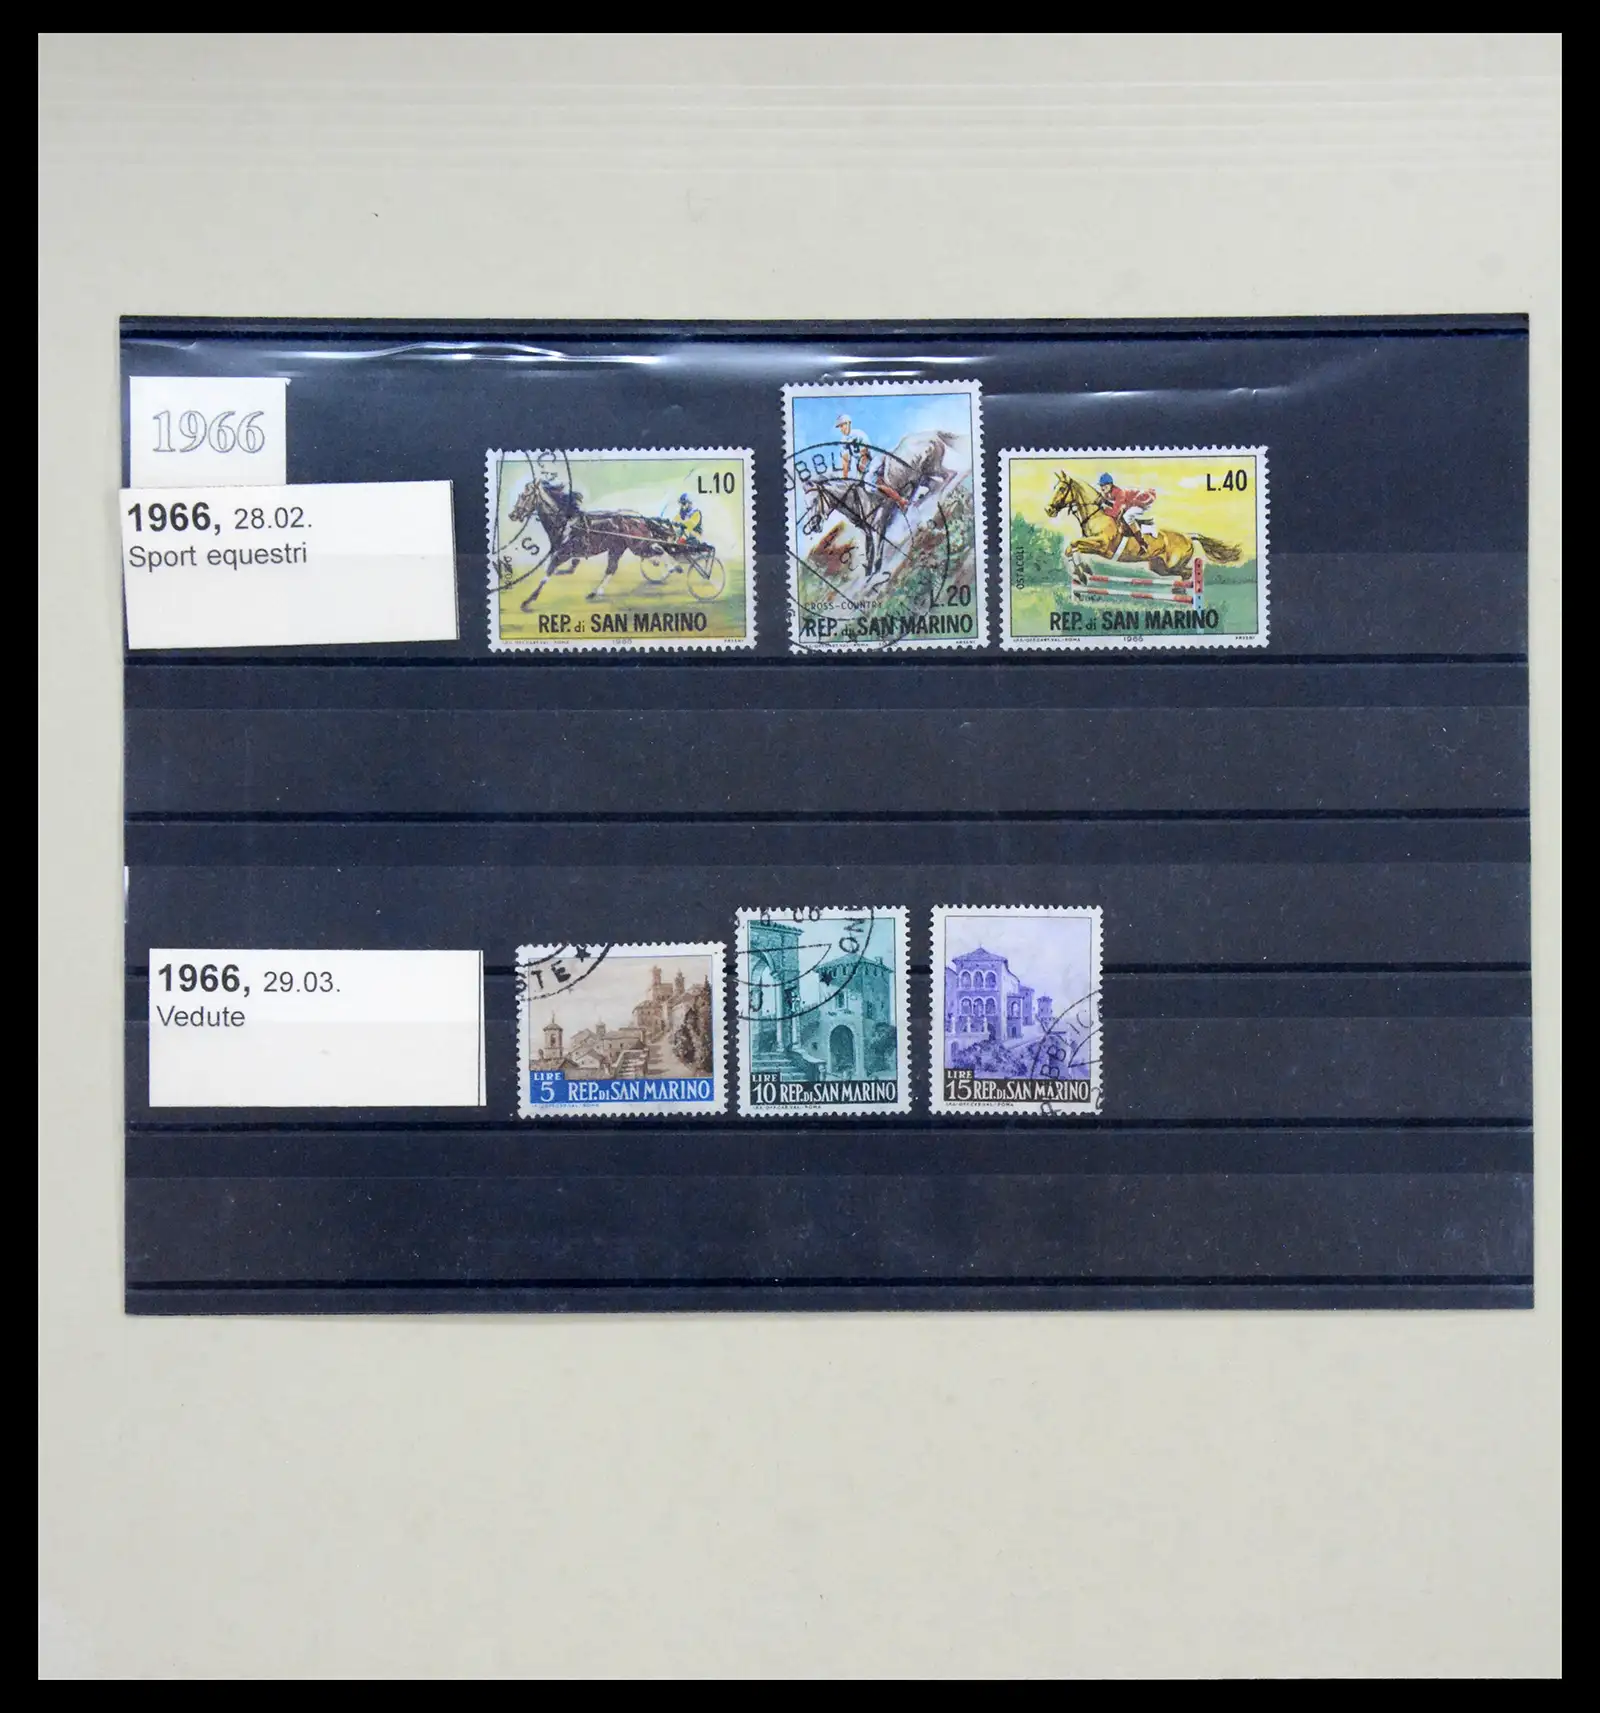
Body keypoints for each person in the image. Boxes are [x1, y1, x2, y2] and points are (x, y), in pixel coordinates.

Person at [1096, 472, 1156, 559]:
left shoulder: (1119, 492)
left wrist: (1104, 510)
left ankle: (1143, 544)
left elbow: (1115, 512)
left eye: (1105, 485)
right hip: (1130, 503)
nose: (1102, 487)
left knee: (1127, 516)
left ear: (1111, 485)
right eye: (1101, 485)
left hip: (1141, 502)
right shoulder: (1107, 493)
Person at [836, 414, 871, 480]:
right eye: (839, 427)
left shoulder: (859, 434)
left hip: (872, 460)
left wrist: (861, 467)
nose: (841, 429)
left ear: (848, 423)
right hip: (859, 463)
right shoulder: (843, 440)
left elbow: (865, 454)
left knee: (869, 480)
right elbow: (845, 460)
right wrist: (845, 478)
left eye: (842, 426)